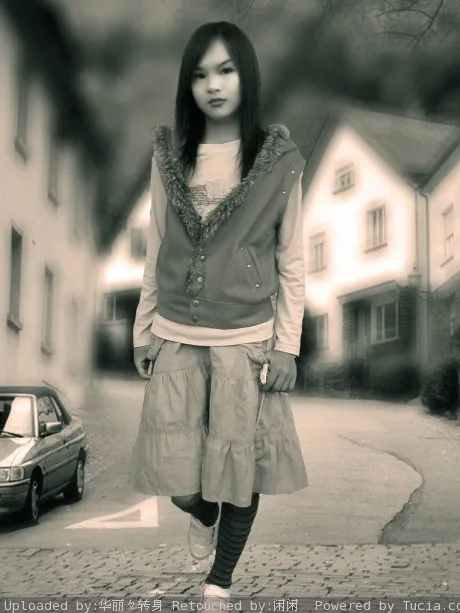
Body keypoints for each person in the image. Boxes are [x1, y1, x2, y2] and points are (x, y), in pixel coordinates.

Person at [128, 20, 308, 605]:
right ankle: (202, 513)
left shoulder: (278, 161)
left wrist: (288, 345)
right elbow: (156, 245)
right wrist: (143, 329)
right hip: (175, 332)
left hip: (247, 337)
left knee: (239, 468)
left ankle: (219, 582)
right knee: (177, 474)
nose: (213, 85)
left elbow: (292, 261)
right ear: (188, 85)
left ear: (245, 76)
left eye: (226, 70)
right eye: (200, 74)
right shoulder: (170, 156)